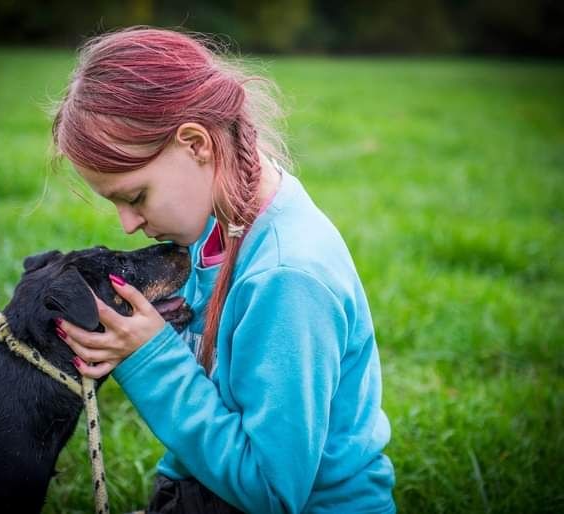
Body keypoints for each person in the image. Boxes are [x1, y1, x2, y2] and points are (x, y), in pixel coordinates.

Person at [50, 26, 396, 514]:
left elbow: (272, 493)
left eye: (135, 197)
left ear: (196, 144)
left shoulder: (285, 277)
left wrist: (151, 358)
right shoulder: (224, 217)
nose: (127, 225)